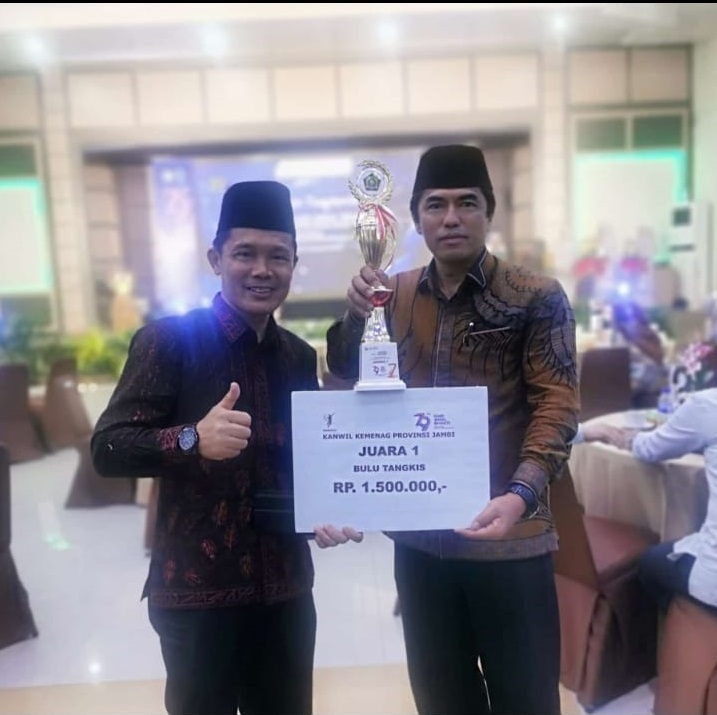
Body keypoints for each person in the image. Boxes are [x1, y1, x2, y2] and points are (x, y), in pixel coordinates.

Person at [91, 180, 362, 715]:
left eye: (277, 256)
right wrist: (193, 438)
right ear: (216, 259)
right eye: (245, 253)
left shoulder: (296, 356)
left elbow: (303, 463)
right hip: (196, 596)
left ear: (294, 264)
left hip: (285, 591)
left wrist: (324, 510)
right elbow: (108, 447)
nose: (262, 269)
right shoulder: (169, 341)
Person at [326, 144, 579, 715]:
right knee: (442, 701)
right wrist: (355, 315)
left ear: (489, 212)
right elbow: (345, 374)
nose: (451, 218)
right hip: (423, 548)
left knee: (526, 702)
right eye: (435, 205)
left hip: (510, 542)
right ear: (416, 219)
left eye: (467, 203)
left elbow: (557, 405)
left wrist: (519, 495)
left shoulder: (534, 296)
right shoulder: (393, 295)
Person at [587, 389, 717, 615]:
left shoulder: (708, 405)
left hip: (712, 579)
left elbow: (649, 449)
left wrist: (628, 438)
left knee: (649, 564)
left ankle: (668, 630)